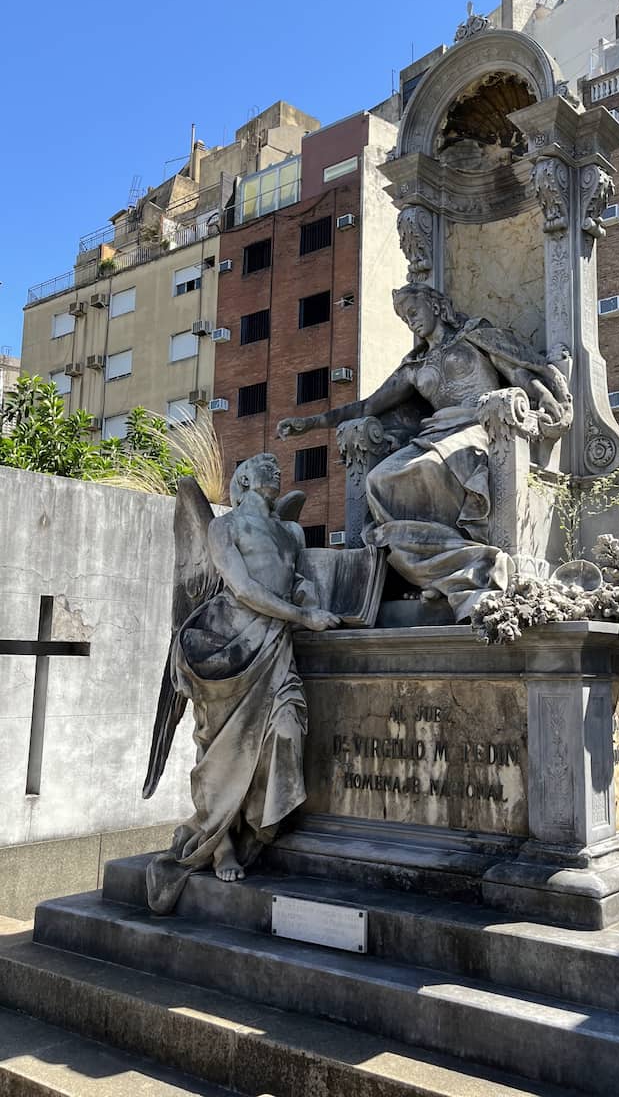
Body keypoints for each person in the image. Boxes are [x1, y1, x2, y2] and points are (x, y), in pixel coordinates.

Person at [277, 283, 571, 622]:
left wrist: (544, 395)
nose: (411, 321)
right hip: (436, 432)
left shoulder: (473, 335)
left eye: (413, 312)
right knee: (379, 480)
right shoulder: (414, 365)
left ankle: (459, 567)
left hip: (479, 426)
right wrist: (311, 423)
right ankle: (436, 572)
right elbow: (368, 405)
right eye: (405, 318)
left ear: (435, 306)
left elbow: (517, 369)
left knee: (432, 466)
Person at [145, 453, 338, 914]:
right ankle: (221, 846)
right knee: (221, 750)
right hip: (225, 647)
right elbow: (244, 589)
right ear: (244, 479)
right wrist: (303, 615)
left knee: (286, 731)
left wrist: (307, 595)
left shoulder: (291, 532)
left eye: (278, 465)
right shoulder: (223, 528)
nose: (276, 470)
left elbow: (295, 579)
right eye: (264, 465)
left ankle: (255, 826)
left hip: (275, 645)